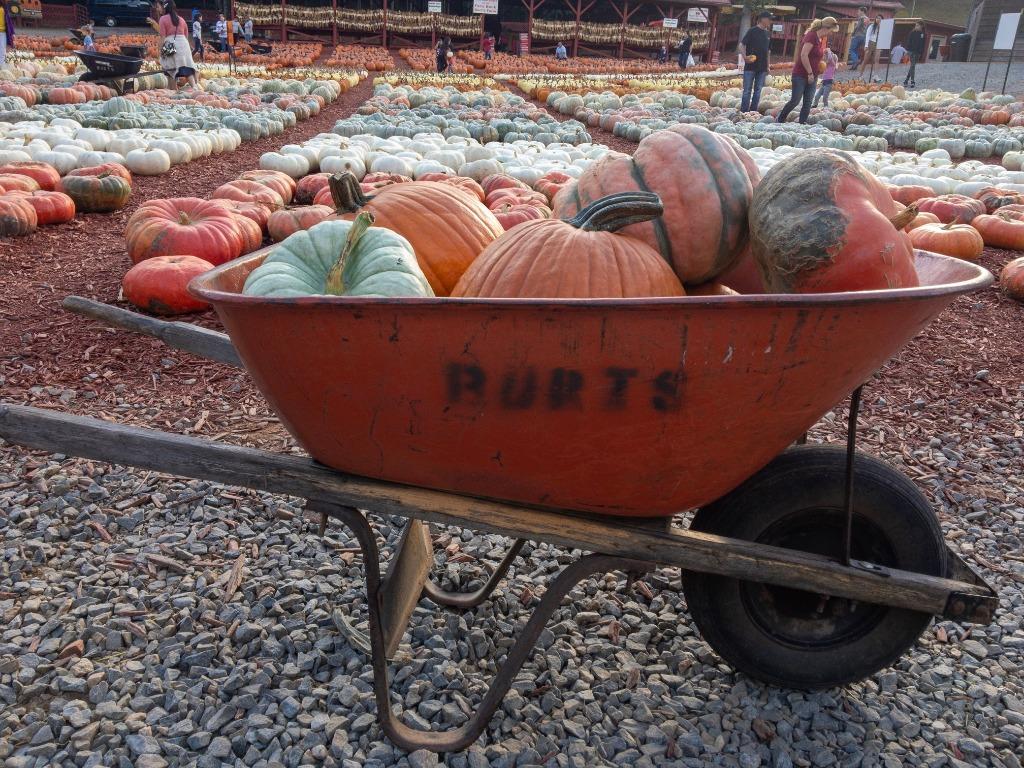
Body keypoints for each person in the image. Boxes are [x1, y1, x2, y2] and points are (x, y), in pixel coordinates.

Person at [778, 17, 837, 124]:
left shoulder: (819, 39)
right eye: (831, 30)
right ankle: (780, 119)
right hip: (801, 74)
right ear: (826, 28)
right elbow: (804, 55)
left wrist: (823, 56)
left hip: (813, 75)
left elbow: (813, 56)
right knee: (795, 100)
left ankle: (802, 123)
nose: (831, 33)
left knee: (808, 102)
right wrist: (809, 72)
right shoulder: (811, 36)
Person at [157, 0, 198, 91]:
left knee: (170, 68)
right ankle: (195, 88)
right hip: (184, 44)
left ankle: (173, 91)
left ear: (165, 8)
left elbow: (163, 37)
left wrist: (159, 49)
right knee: (187, 67)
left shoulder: (163, 19)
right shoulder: (182, 19)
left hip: (170, 44)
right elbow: (186, 37)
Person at [739, 11, 772, 112]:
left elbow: (768, 52)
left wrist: (768, 66)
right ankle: (744, 111)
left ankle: (753, 112)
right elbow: (741, 45)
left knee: (758, 91)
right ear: (762, 19)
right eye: (769, 19)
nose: (770, 21)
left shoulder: (767, 33)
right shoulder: (752, 31)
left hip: (762, 67)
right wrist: (745, 57)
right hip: (750, 66)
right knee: (747, 91)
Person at [905, 21, 925, 88]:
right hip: (911, 51)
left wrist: (921, 53)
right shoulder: (912, 33)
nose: (916, 27)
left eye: (918, 25)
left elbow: (922, 44)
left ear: (921, 26)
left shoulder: (923, 34)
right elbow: (908, 41)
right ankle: (912, 81)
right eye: (916, 25)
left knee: (912, 67)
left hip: (918, 53)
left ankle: (906, 80)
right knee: (913, 66)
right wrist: (908, 51)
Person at [0, 0, 15, 67]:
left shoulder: (4, 9)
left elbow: (9, 21)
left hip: (3, 33)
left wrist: (12, 32)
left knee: (2, 50)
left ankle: (1, 66)